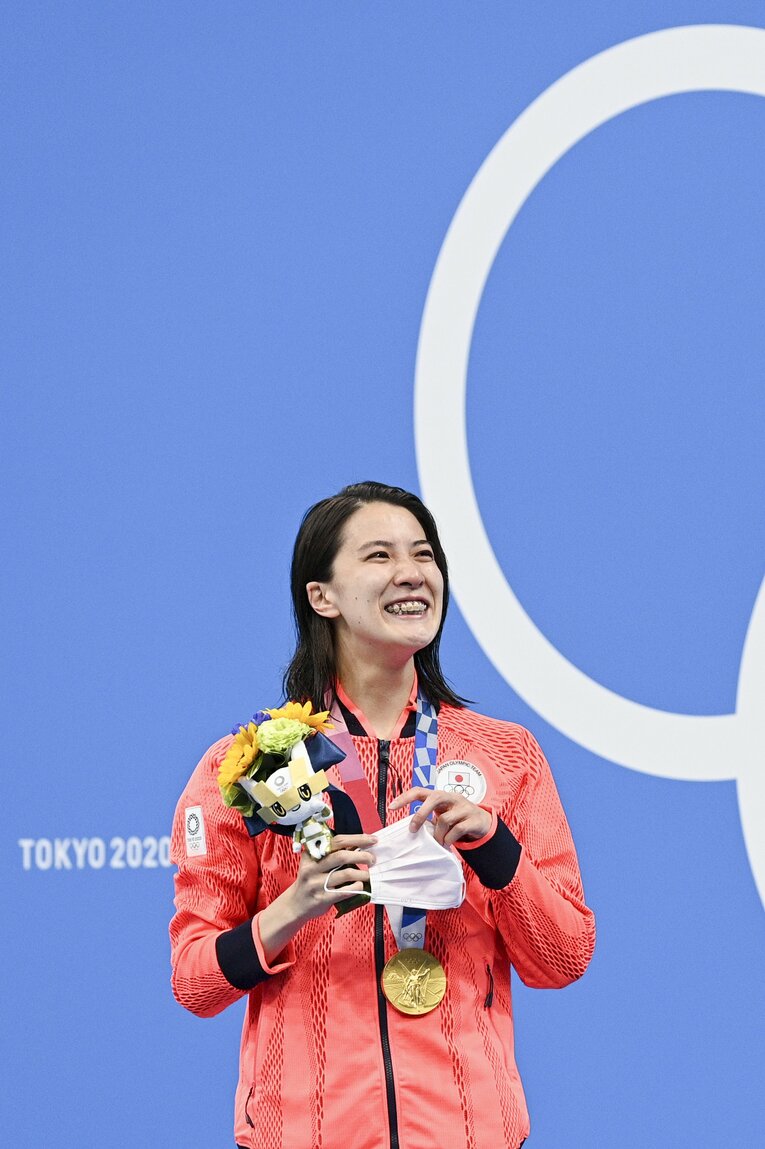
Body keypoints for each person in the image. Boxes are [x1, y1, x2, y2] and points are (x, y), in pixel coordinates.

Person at [169, 481, 595, 1149]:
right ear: (322, 595)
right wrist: (292, 908)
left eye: (424, 554)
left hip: (468, 1131)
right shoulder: (251, 765)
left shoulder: (504, 754)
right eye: (378, 555)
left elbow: (563, 956)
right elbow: (195, 979)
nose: (411, 572)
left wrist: (491, 843)